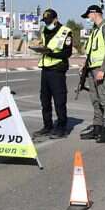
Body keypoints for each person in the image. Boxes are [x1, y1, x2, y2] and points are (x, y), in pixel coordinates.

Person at [33, 8, 72, 139]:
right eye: (45, 21)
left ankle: (62, 127)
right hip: (45, 68)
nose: (46, 23)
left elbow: (67, 53)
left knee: (59, 100)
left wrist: (50, 53)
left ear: (55, 19)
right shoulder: (45, 31)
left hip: (57, 69)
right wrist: (40, 48)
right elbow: (46, 45)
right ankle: (47, 126)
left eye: (49, 20)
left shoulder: (65, 32)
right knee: (45, 100)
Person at [79, 4, 105, 143]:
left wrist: (102, 69)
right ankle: (97, 127)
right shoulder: (95, 30)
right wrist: (84, 65)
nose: (88, 18)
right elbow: (90, 51)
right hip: (91, 69)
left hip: (101, 69)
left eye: (88, 15)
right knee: (95, 100)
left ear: (95, 13)